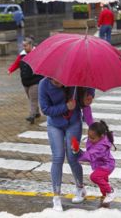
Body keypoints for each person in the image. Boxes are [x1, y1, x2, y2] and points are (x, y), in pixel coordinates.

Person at [38, 78, 95, 211]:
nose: (61, 84)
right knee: (57, 157)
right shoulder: (44, 85)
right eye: (57, 82)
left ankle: (80, 188)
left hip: (74, 123)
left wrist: (89, 96)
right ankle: (56, 196)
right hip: (55, 125)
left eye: (62, 81)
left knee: (72, 156)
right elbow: (45, 109)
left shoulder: (72, 80)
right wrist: (65, 107)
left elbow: (88, 84)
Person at [71, 120, 116, 207]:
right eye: (89, 136)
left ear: (102, 136)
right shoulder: (96, 139)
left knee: (94, 177)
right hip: (100, 165)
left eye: (92, 138)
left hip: (107, 165)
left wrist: (78, 152)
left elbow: (90, 155)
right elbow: (90, 151)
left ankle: (110, 191)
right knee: (102, 184)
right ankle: (105, 200)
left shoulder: (101, 146)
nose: (90, 139)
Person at [8, 36, 43, 124]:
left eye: (25, 45)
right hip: (25, 82)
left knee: (33, 99)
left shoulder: (37, 54)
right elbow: (16, 64)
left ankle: (32, 116)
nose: (24, 47)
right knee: (31, 98)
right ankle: (37, 112)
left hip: (35, 81)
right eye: (23, 45)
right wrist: (10, 70)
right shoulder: (22, 55)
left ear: (31, 45)